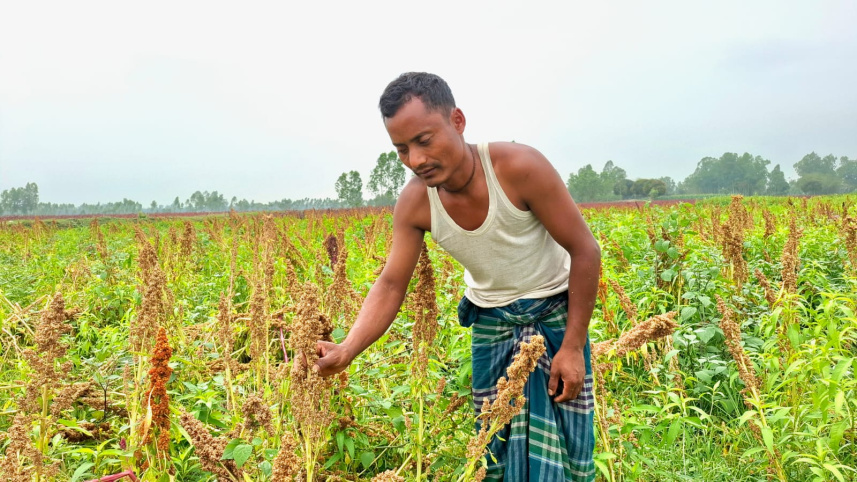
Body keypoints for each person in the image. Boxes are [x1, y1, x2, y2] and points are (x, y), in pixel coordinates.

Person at [315, 72, 600, 481]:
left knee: (568, 451)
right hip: (492, 327)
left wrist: (572, 346)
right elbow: (392, 283)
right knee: (493, 450)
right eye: (401, 149)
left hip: (556, 319)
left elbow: (585, 249)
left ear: (458, 121)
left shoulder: (519, 168)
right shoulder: (417, 202)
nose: (415, 160)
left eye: (424, 140)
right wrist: (348, 348)